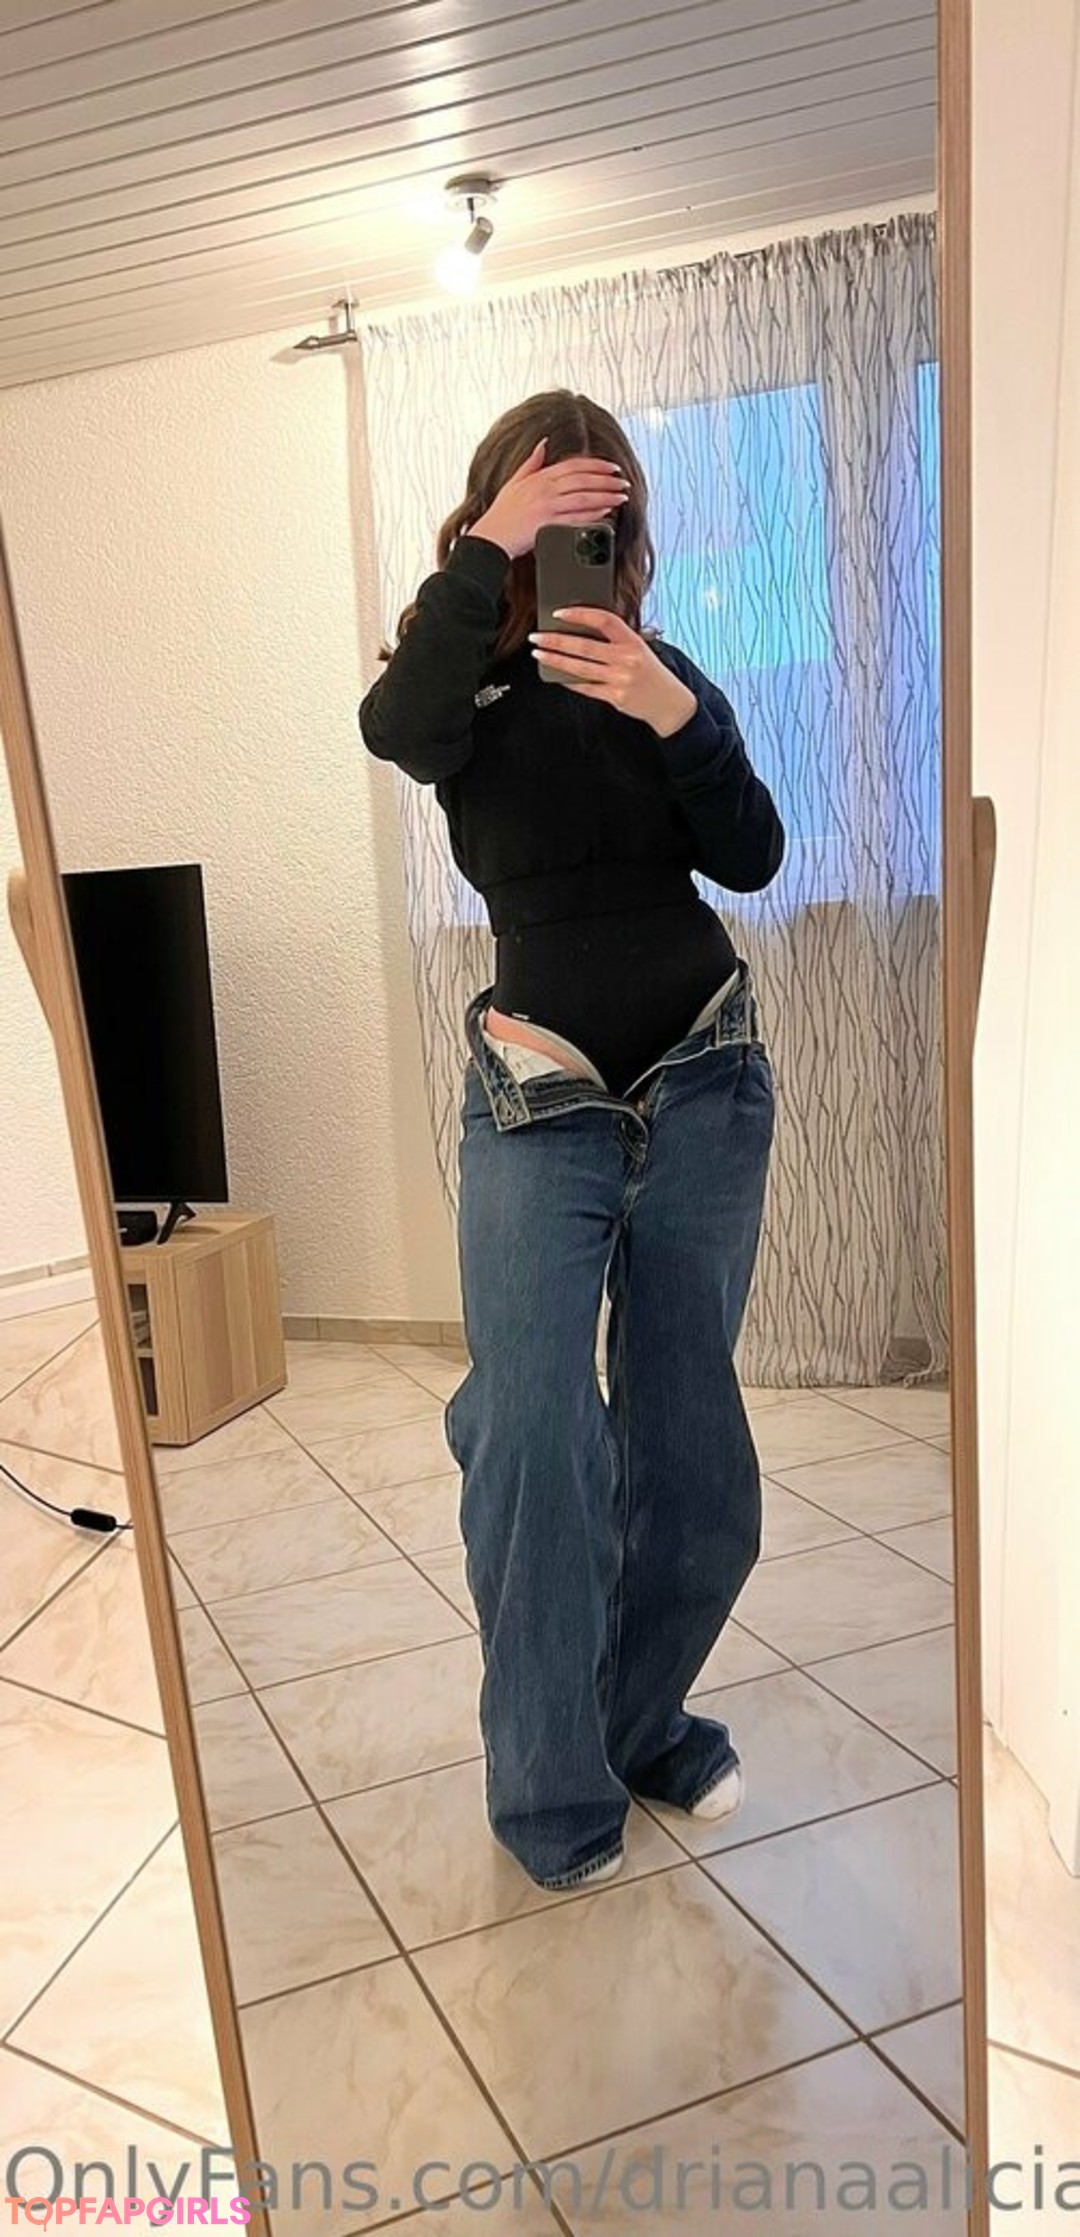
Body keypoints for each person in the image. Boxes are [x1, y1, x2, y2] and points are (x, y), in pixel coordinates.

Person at [358, 389, 784, 1893]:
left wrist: (678, 714)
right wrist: (490, 546)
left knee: (696, 1466)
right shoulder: (458, 689)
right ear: (499, 517)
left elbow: (752, 854)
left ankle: (636, 1722)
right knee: (533, 1434)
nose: (574, 546)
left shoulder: (664, 679)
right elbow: (393, 729)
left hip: (706, 1079)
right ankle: (552, 1790)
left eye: (599, 518)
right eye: (548, 514)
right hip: (541, 1100)